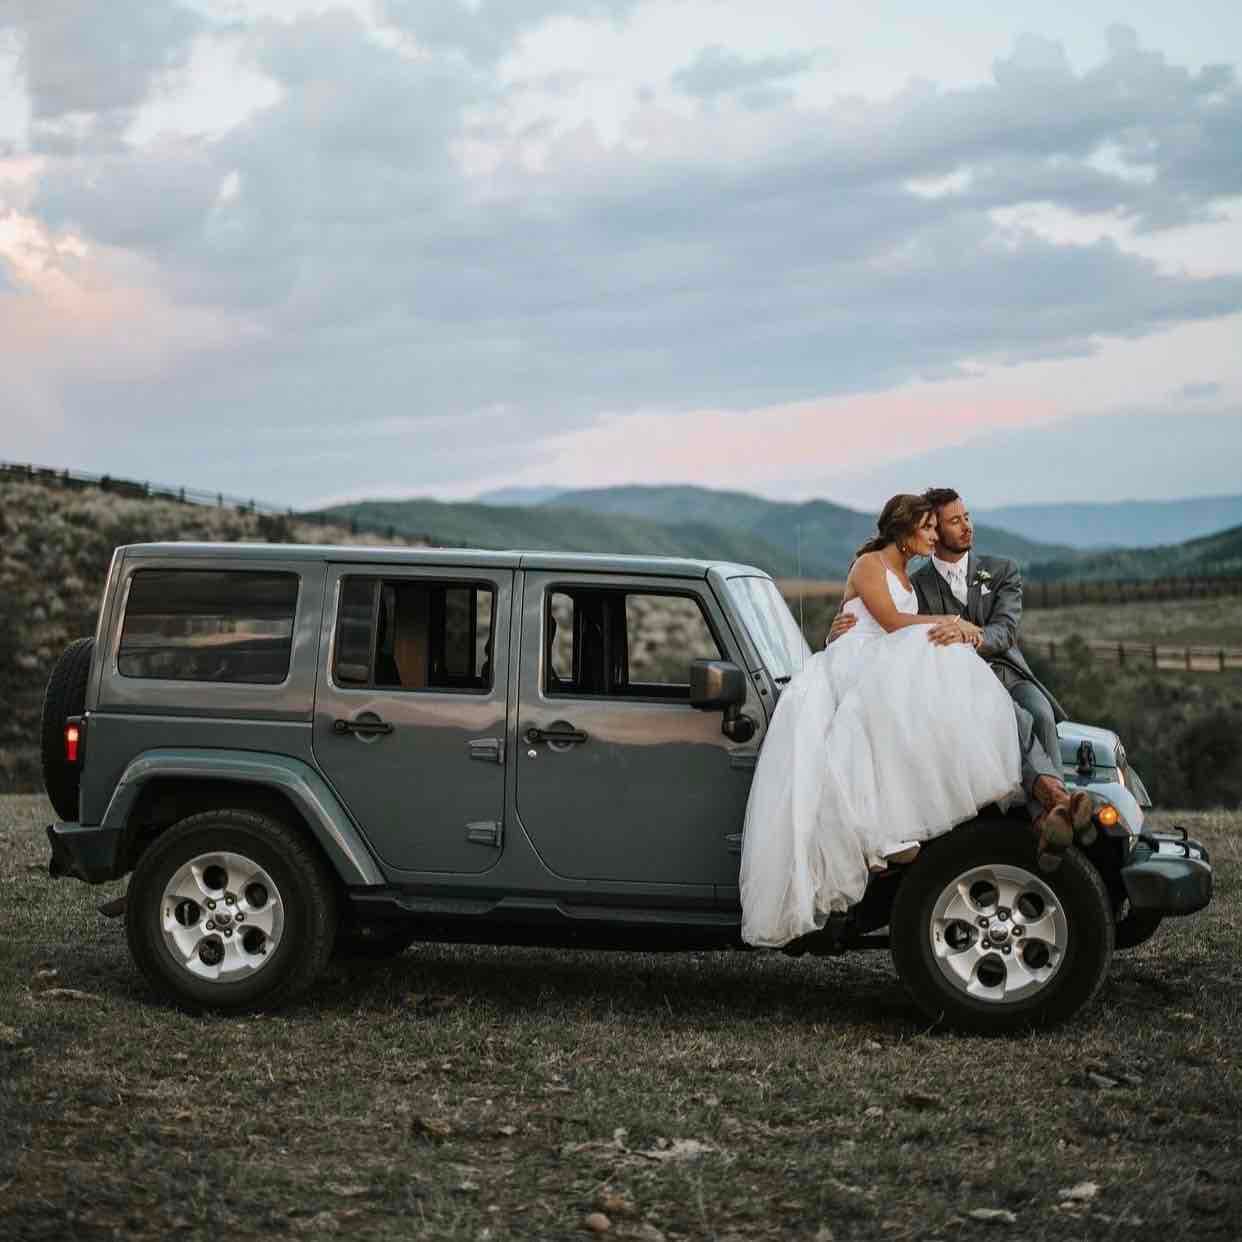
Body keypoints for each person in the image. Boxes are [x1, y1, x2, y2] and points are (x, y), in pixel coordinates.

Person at [739, 494, 1028, 949]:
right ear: (905, 529)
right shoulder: (870, 564)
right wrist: (956, 621)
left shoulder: (906, 574)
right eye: (929, 528)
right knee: (903, 686)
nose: (935, 536)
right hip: (855, 661)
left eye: (938, 528)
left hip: (876, 656)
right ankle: (879, 837)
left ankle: (910, 819)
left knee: (922, 682)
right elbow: (893, 622)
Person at [826, 487, 1088, 847]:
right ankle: (1052, 809)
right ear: (931, 533)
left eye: (967, 517)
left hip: (1007, 670)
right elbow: (888, 624)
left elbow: (1006, 630)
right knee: (1007, 716)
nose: (966, 527)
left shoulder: (1001, 571)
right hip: (952, 679)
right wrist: (836, 632)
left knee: (1040, 712)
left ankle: (1049, 817)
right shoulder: (914, 584)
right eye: (952, 522)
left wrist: (971, 634)